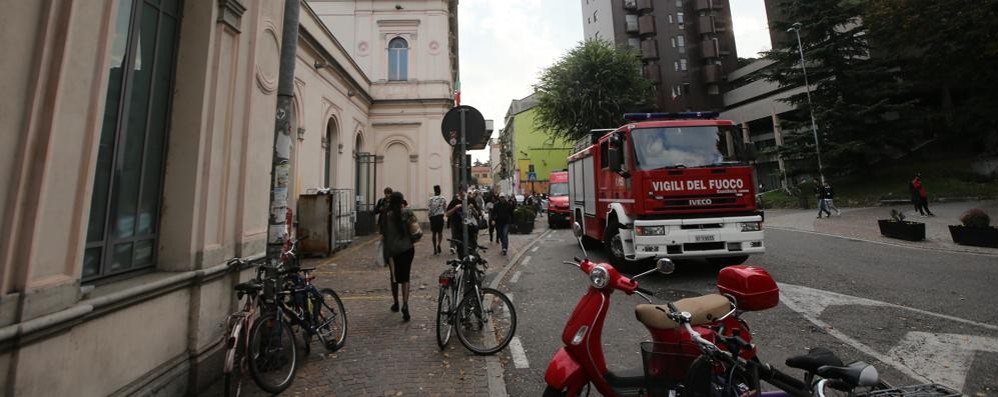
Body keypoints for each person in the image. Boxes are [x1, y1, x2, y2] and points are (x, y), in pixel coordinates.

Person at [379, 191, 416, 321]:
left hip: (392, 251)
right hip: (407, 248)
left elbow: (382, 232)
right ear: (401, 201)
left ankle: (396, 303)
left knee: (394, 277)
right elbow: (415, 227)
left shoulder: (385, 214)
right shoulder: (406, 212)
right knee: (405, 277)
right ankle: (405, 303)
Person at [445, 185, 481, 254]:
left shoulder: (471, 200)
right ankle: (454, 247)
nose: (463, 194)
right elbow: (447, 214)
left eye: (464, 191)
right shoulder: (454, 201)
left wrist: (473, 209)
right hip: (457, 227)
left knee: (472, 247)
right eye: (461, 192)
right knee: (460, 249)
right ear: (459, 192)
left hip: (470, 227)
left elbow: (477, 215)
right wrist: (455, 208)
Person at [427, 185, 447, 255]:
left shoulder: (431, 199)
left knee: (434, 233)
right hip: (440, 217)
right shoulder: (443, 198)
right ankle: (439, 244)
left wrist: (429, 216)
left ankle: (434, 248)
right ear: (440, 190)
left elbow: (429, 209)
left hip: (433, 217)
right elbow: (445, 208)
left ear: (434, 190)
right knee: (440, 232)